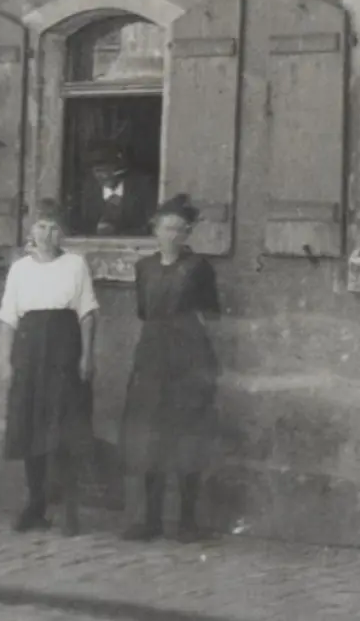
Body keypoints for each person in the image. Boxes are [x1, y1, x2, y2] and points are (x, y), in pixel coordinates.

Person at [118, 194, 222, 542]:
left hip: (188, 356)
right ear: (155, 230)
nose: (172, 235)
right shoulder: (143, 268)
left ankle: (187, 522)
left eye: (180, 229)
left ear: (188, 233)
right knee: (150, 439)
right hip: (152, 357)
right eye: (166, 228)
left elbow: (210, 314)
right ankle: (150, 519)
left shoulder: (198, 268)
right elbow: (144, 311)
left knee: (186, 438)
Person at [0, 200, 99, 535]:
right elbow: (9, 318)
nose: (47, 233)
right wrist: (8, 360)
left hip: (64, 348)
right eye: (41, 226)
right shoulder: (20, 269)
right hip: (29, 349)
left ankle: (70, 508)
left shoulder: (75, 264)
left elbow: (86, 312)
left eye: (54, 227)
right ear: (31, 230)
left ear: (63, 234)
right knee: (31, 426)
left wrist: (87, 354)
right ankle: (35, 504)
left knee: (65, 425)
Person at [82, 143, 157, 237]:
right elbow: (83, 227)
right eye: (98, 171)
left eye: (109, 169)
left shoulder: (143, 187)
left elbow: (151, 225)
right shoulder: (88, 193)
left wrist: (119, 233)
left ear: (121, 168)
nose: (104, 176)